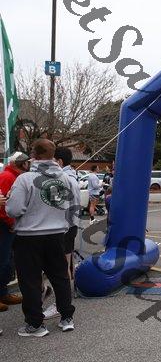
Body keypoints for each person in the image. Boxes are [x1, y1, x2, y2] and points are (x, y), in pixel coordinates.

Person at [6, 139, 77, 337]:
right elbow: (71, 206)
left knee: (30, 280)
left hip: (29, 236)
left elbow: (14, 209)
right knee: (60, 277)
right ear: (54, 155)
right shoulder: (65, 178)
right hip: (57, 234)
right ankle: (66, 317)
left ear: (33, 154)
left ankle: (35, 324)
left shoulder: (25, 179)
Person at [41, 146, 82, 320]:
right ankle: (61, 301)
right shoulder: (71, 177)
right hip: (68, 225)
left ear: (59, 161)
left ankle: (60, 304)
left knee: (62, 268)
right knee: (63, 266)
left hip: (64, 227)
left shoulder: (64, 179)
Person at [0, 152, 30, 315]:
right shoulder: (8, 177)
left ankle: (3, 292)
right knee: (3, 260)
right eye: (26, 162)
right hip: (5, 226)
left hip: (9, 225)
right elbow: (5, 204)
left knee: (8, 261)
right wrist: (11, 222)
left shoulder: (15, 177)